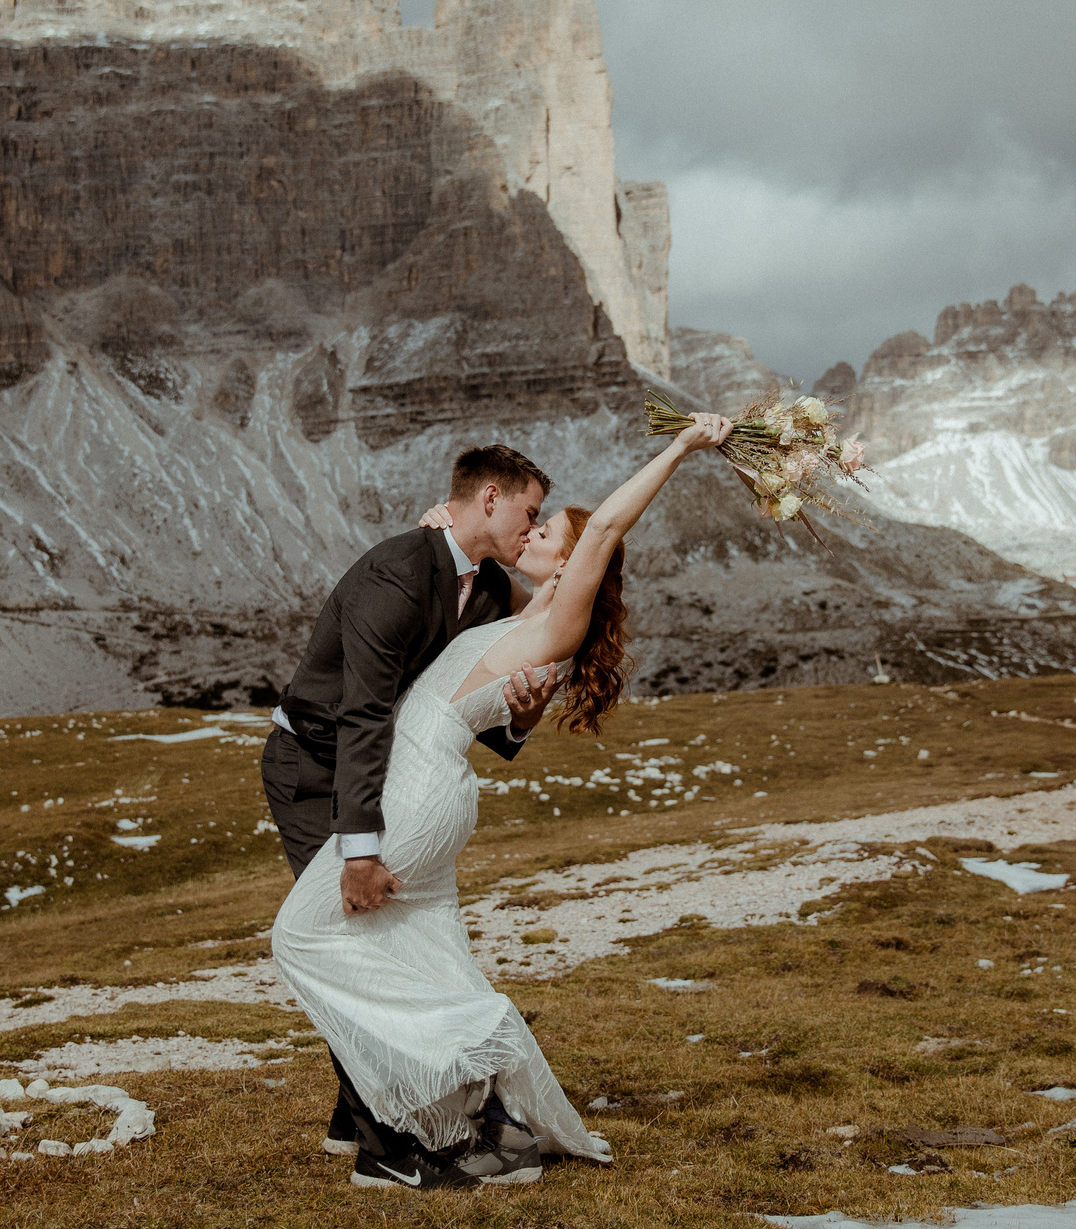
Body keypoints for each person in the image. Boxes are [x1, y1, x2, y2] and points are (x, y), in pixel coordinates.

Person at [271, 411, 732, 1189]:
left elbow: (611, 519)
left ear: (582, 554)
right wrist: (443, 532)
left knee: (301, 936)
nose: (537, 529)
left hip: (416, 787)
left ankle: (432, 1093)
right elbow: (459, 659)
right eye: (533, 515)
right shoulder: (505, 602)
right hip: (415, 780)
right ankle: (446, 1112)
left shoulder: (562, 606)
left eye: (549, 526)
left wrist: (684, 446)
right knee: (414, 946)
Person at [260, 444, 559, 1171]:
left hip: (380, 771)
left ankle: (355, 1114)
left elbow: (453, 705)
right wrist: (359, 852)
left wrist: (521, 717)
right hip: (314, 766)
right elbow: (363, 713)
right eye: (530, 511)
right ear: (490, 498)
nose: (535, 526)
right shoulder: (397, 572)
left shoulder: (487, 589)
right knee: (354, 938)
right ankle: (385, 1149)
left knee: (377, 936)